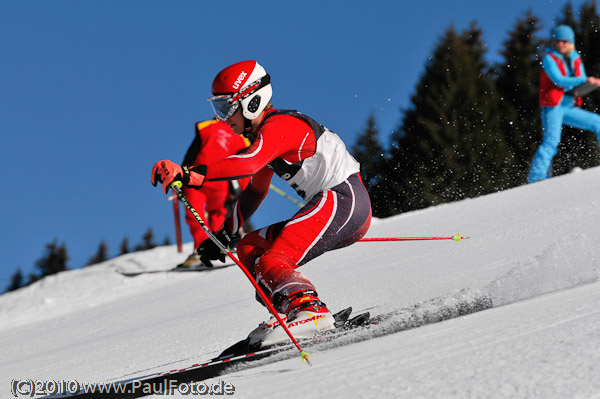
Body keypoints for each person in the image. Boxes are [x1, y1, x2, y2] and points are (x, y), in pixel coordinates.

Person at [151, 60, 372, 345]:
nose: (222, 118)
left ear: (250, 101)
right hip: (334, 206)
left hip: (343, 200)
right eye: (217, 108)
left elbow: (248, 163)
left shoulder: (282, 125)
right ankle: (290, 311)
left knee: (273, 259)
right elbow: (255, 192)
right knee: (249, 247)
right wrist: (225, 234)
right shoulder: (264, 137)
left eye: (225, 107)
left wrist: (189, 174)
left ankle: (310, 312)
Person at [528, 25, 600, 183]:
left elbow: (581, 77)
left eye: (565, 41)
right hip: (553, 106)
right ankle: (536, 179)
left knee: (598, 122)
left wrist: (588, 83)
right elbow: (558, 80)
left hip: (569, 106)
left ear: (571, 42)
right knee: (551, 141)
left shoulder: (575, 57)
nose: (561, 44)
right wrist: (586, 80)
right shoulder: (548, 57)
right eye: (558, 41)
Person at [178, 120, 250, 268]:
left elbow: (191, 154)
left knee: (196, 215)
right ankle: (220, 249)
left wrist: (180, 176)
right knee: (217, 215)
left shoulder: (205, 126)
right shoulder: (241, 135)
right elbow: (243, 164)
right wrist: (239, 190)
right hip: (218, 182)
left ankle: (204, 251)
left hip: (195, 178)